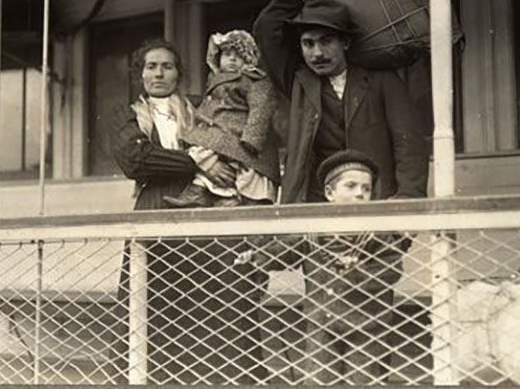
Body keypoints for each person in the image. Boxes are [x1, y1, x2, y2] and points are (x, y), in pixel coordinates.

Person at [111, 38, 267, 384]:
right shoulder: (130, 114)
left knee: (213, 299)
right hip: (155, 206)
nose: (159, 73)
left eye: (167, 65)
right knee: (152, 298)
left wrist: (217, 162)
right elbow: (136, 159)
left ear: (179, 73)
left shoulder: (200, 107)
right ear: (140, 74)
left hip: (205, 207)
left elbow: (236, 130)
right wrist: (198, 160)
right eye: (151, 66)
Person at [252, 0, 429, 204]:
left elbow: (409, 145)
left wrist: (408, 197)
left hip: (371, 202)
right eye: (308, 43)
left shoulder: (382, 80)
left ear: (345, 43)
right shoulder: (298, 82)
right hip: (313, 205)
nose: (317, 53)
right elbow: (266, 26)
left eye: (326, 41)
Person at [269, 149, 410, 384]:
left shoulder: (376, 232)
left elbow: (391, 269)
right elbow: (284, 254)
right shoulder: (312, 230)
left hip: (365, 325)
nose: (360, 194)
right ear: (329, 193)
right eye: (351, 186)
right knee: (319, 379)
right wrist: (257, 256)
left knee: (363, 379)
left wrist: (357, 273)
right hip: (320, 324)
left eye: (366, 189)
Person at [163, 30, 279, 208]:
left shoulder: (253, 80)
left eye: (238, 56)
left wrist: (252, 138)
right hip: (218, 128)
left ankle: (229, 195)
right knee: (203, 150)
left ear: (248, 60)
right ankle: (199, 191)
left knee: (240, 168)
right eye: (226, 54)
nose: (232, 59)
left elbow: (261, 108)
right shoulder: (215, 79)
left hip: (238, 131)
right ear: (217, 58)